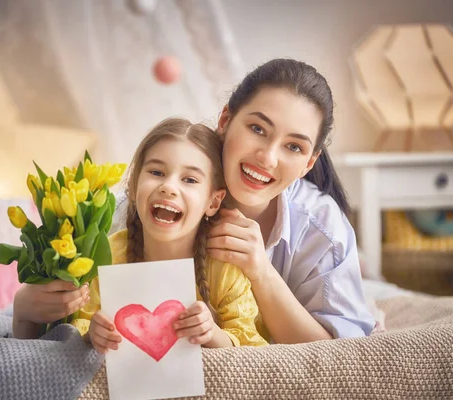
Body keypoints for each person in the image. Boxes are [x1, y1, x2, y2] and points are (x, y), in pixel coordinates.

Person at [111, 59, 375, 344]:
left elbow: (340, 353)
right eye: (258, 129)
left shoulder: (322, 230)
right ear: (225, 121)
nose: (268, 158)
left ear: (308, 164)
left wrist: (261, 271)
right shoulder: (149, 203)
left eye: (294, 147)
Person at [75, 118, 267, 353]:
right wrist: (91, 334)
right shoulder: (105, 256)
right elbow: (79, 321)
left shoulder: (224, 267)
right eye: (156, 172)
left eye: (190, 180)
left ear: (214, 201)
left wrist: (212, 334)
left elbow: (253, 348)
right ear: (134, 186)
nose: (169, 187)